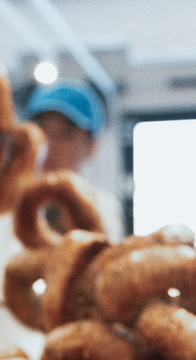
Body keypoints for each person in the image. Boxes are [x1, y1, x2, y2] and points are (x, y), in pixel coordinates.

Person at [24, 78, 125, 240]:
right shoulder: (8, 204)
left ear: (91, 147)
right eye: (41, 129)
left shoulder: (103, 209)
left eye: (65, 133)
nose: (49, 144)